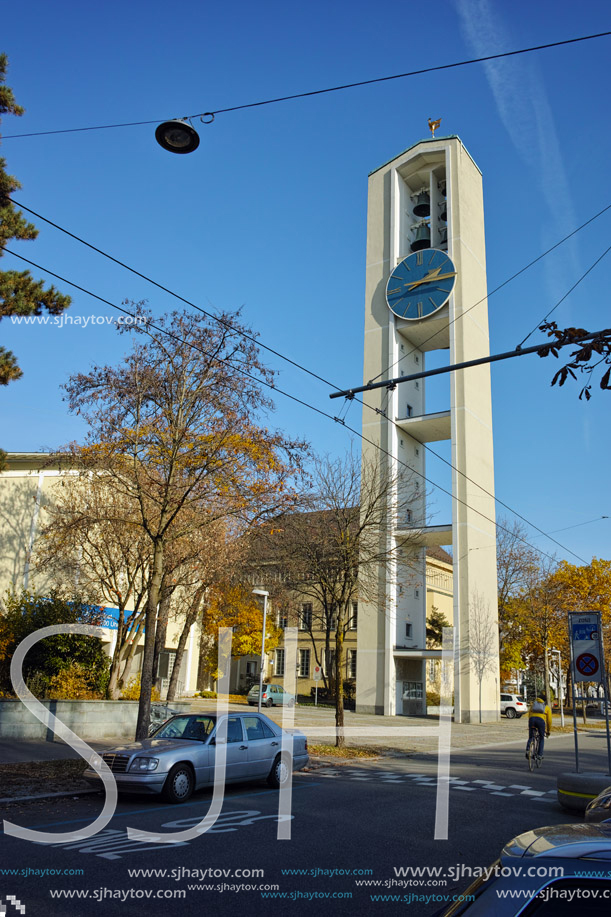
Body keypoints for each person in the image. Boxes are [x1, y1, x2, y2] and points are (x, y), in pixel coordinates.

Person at [525, 694, 552, 759]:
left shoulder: (533, 705)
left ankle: (528, 750)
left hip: (532, 720)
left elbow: (529, 714)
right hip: (540, 721)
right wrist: (548, 731)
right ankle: (540, 755)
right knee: (541, 738)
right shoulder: (546, 707)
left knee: (531, 736)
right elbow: (549, 720)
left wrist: (530, 723)